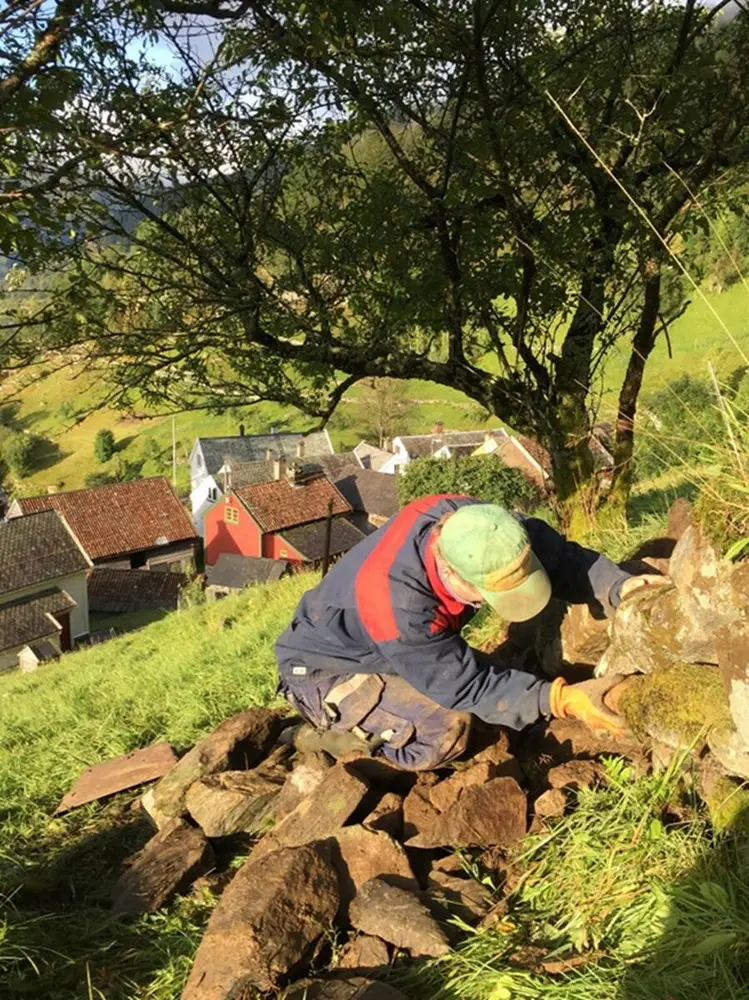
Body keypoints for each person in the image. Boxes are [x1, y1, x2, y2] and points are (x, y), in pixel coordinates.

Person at [275, 494, 662, 770]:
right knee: (446, 729)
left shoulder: (482, 526)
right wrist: (565, 700)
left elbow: (558, 557)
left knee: (505, 686)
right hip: (327, 668)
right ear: (449, 572)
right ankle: (330, 740)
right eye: (490, 592)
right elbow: (466, 686)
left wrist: (618, 585)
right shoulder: (401, 609)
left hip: (395, 644)